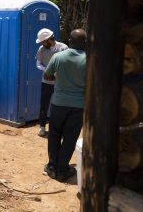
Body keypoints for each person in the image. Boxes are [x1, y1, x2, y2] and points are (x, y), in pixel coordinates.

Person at [43, 29, 87, 182]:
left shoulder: (58, 57)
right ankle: (62, 170)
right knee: (70, 137)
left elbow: (46, 75)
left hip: (58, 103)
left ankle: (52, 166)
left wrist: (60, 80)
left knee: (54, 134)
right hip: (78, 106)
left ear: (69, 41)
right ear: (85, 43)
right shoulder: (90, 60)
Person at [35, 28, 68, 137]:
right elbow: (38, 63)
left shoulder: (63, 48)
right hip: (46, 82)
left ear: (49, 39)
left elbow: (67, 64)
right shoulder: (41, 49)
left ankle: (58, 128)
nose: (42, 44)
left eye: (43, 41)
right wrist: (46, 70)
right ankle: (42, 127)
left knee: (60, 106)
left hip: (60, 83)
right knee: (44, 105)